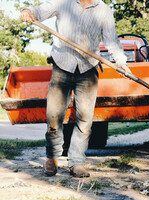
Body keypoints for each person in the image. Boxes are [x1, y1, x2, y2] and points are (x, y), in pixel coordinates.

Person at [20, 0, 130, 178]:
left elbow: (111, 42)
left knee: (85, 119)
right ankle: (52, 158)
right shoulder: (63, 2)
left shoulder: (104, 11)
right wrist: (27, 11)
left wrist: (122, 63)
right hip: (61, 66)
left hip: (88, 69)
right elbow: (39, 11)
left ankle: (77, 162)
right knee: (54, 117)